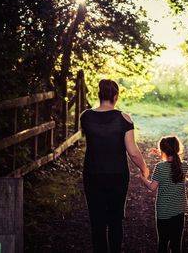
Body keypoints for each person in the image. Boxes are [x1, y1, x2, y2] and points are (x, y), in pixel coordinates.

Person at [80, 79, 149, 253]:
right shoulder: (124, 118)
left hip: (92, 174)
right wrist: (144, 168)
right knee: (115, 219)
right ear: (116, 97)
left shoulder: (86, 116)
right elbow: (132, 151)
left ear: (99, 95)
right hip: (117, 175)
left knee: (97, 221)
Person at [140, 136, 188, 253]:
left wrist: (143, 179)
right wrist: (163, 154)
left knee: (163, 243)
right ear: (178, 149)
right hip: (179, 211)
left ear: (163, 151)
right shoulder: (184, 166)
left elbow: (152, 187)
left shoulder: (160, 167)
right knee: (176, 245)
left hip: (164, 212)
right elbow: (173, 164)